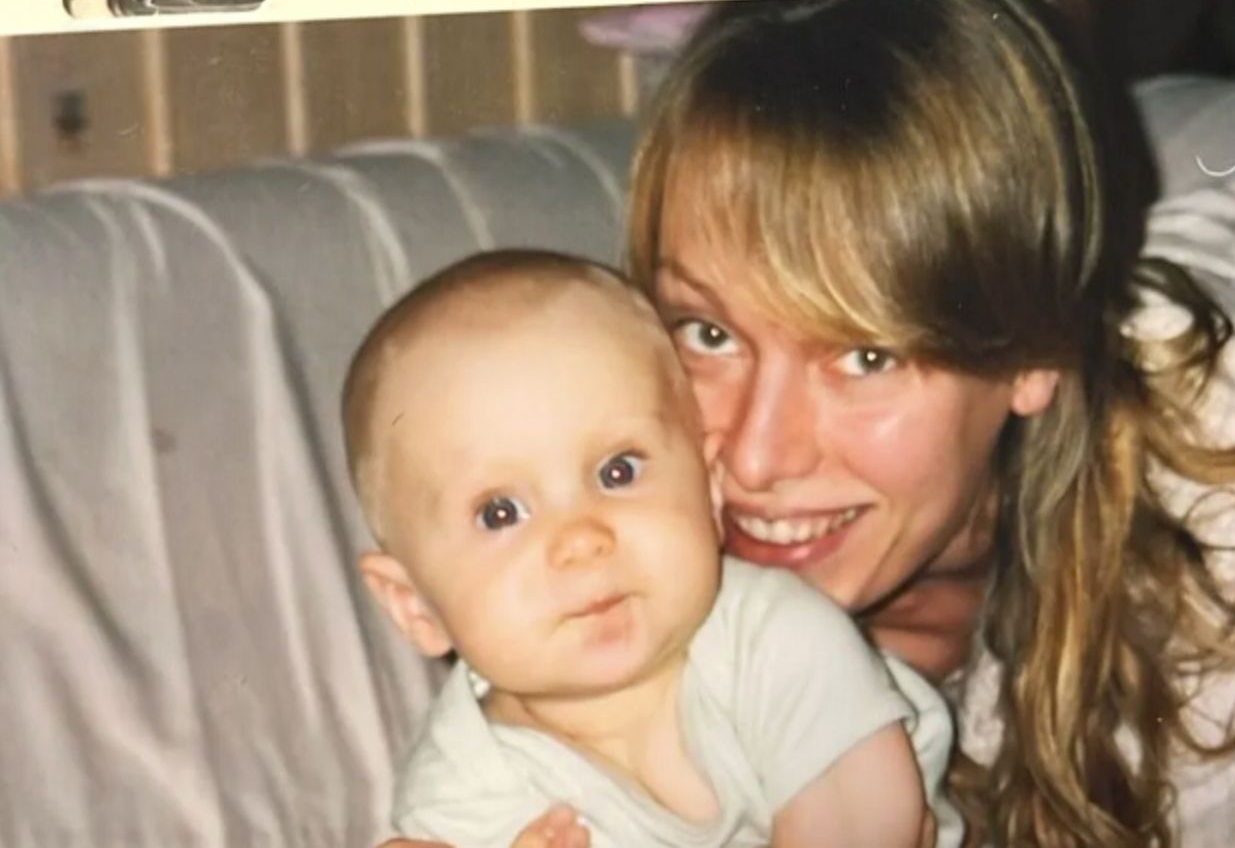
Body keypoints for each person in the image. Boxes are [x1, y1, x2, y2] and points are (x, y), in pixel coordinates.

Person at [393, 0, 1235, 848]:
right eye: (709, 332)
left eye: (865, 356)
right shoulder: (639, 540)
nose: (756, 458)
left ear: (1033, 353)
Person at [342, 250, 960, 848]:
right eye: (499, 512)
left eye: (618, 472)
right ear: (413, 606)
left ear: (708, 489)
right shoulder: (457, 792)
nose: (581, 539)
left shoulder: (773, 639)